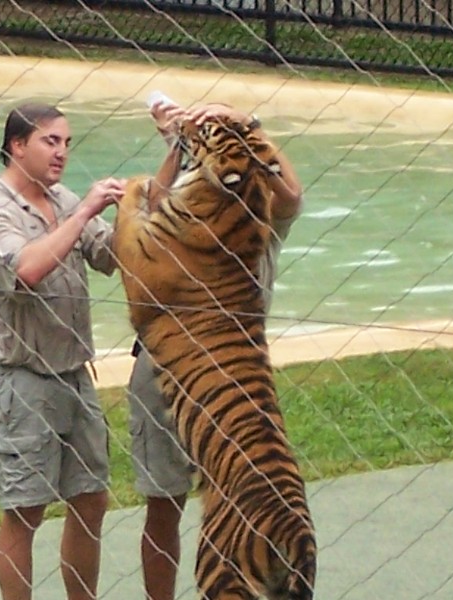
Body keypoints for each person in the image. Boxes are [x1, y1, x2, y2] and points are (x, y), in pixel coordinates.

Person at [127, 99, 304, 600]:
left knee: (242, 499)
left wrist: (248, 125)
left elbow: (291, 193)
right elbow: (149, 220)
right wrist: (179, 146)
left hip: (231, 385)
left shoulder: (264, 215)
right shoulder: (190, 203)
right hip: (167, 372)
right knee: (164, 502)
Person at [0, 103, 126, 600]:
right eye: (49, 141)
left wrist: (144, 200)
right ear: (17, 146)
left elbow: (110, 255)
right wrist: (83, 213)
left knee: (91, 499)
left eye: (66, 143)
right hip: (21, 382)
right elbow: (25, 271)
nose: (61, 153)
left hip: (74, 375)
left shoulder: (62, 197)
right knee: (25, 512)